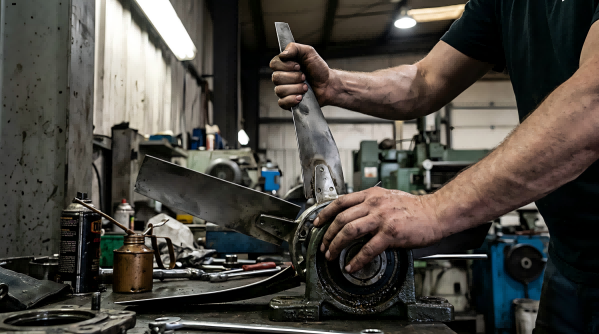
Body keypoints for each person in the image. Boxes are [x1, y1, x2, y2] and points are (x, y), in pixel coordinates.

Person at [270, 1, 599, 332]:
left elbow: (592, 105)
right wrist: (335, 85)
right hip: (570, 260)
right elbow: (427, 79)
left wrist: (434, 209)